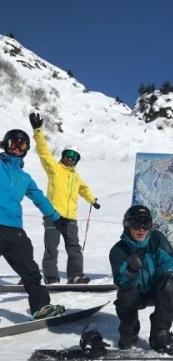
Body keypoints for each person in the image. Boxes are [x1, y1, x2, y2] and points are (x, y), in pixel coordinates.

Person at [0, 128, 66, 319]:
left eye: (23, 144)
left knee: (30, 271)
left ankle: (40, 307)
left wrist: (56, 217)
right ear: (6, 144)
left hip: (14, 231)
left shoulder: (25, 178)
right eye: (14, 143)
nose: (18, 148)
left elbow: (40, 198)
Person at [29, 113, 100, 284]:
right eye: (68, 154)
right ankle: (52, 278)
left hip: (70, 219)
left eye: (74, 157)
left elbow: (83, 188)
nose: (70, 158)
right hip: (53, 215)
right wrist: (38, 131)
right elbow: (44, 153)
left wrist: (92, 200)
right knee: (51, 249)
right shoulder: (55, 168)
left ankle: (75, 276)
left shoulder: (75, 176)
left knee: (74, 248)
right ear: (63, 155)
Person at [109, 205, 173, 355]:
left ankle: (160, 335)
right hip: (135, 293)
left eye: (146, 224)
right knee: (125, 296)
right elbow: (120, 281)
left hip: (156, 290)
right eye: (136, 224)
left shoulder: (157, 239)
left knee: (167, 289)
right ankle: (130, 332)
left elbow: (170, 262)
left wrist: (169, 275)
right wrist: (130, 271)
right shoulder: (119, 250)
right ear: (127, 225)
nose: (141, 229)